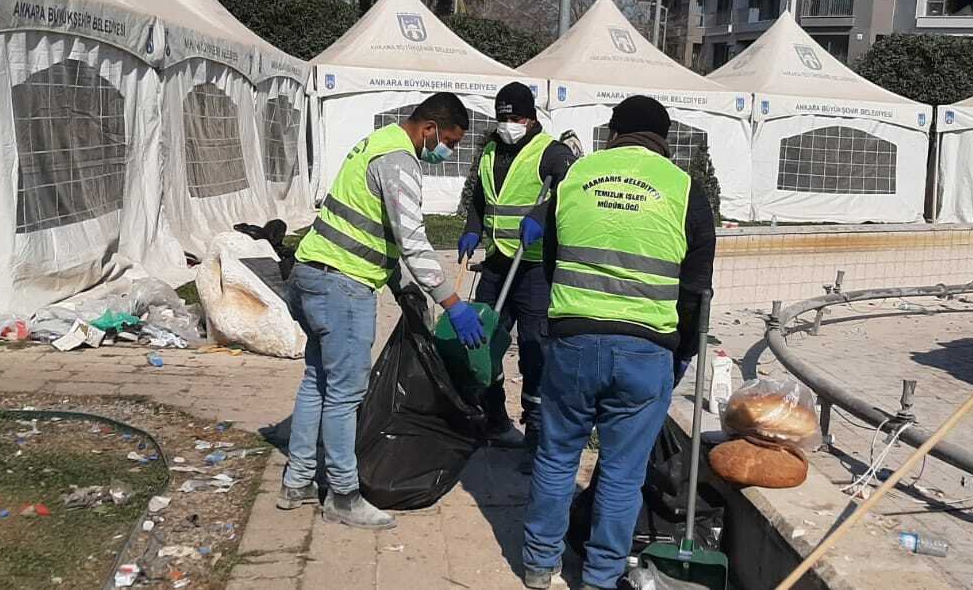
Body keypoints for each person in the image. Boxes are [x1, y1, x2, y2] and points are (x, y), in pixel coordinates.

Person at [521, 96, 716, 590]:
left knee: (556, 456)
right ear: (663, 138)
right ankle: (601, 576)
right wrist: (683, 352)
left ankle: (539, 565)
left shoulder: (575, 178)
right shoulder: (684, 188)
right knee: (622, 472)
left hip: (574, 342)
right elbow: (697, 288)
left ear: (613, 131)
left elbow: (550, 262)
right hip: (647, 349)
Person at [279, 92, 488, 530]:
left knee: (318, 381)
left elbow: (373, 227)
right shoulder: (397, 160)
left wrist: (398, 285)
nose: (446, 151)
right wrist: (452, 303)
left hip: (310, 274)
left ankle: (297, 480)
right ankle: (343, 495)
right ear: (429, 127)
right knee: (344, 395)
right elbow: (412, 239)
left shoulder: (373, 143)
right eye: (448, 141)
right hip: (343, 287)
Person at [457, 82, 575, 462]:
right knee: (483, 341)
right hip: (496, 262)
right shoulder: (491, 149)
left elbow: (568, 190)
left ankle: (536, 431)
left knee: (534, 348)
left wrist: (541, 215)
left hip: (534, 267)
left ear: (531, 117)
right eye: (502, 117)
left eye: (515, 117)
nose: (508, 124)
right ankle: (494, 418)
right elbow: (481, 196)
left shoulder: (551, 153)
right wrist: (471, 228)